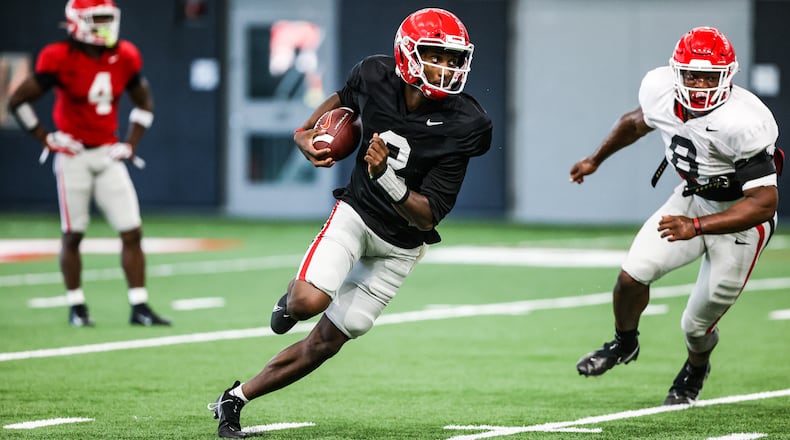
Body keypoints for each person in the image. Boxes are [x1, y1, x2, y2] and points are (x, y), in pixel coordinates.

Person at [208, 7, 491, 438]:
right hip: (357, 214)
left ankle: (235, 398)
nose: (446, 68)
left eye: (454, 60)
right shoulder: (375, 74)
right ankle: (289, 301)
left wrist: (387, 178)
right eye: (436, 55)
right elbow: (342, 99)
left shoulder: (467, 122)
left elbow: (431, 212)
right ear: (408, 54)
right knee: (306, 304)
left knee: (331, 339)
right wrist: (304, 132)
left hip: (402, 244)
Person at [570, 26, 783, 405]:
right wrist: (594, 159)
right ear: (675, 72)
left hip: (740, 220)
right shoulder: (660, 89)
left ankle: (696, 368)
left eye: (709, 77)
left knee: (696, 325)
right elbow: (635, 122)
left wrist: (696, 227)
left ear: (728, 76)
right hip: (690, 199)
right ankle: (624, 343)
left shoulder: (745, 120)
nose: (699, 84)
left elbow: (764, 202)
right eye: (691, 75)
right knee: (631, 277)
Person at [7, 0, 170, 327]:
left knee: (132, 230)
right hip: (73, 154)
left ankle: (139, 306)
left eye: (108, 18)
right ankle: (77, 306)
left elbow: (144, 103)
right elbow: (17, 101)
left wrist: (130, 144)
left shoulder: (125, 55)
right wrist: (45, 137)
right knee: (73, 233)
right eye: (97, 19)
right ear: (77, 22)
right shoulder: (58, 56)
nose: (105, 25)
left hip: (108, 152)